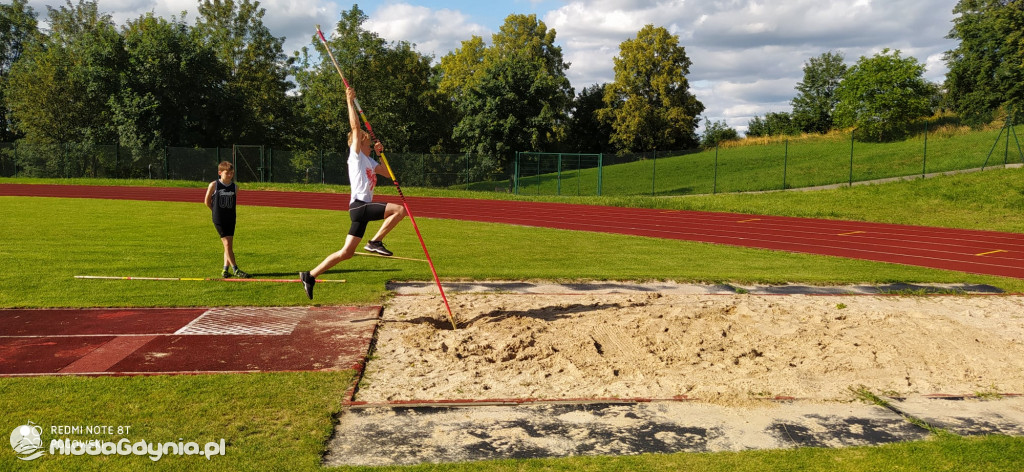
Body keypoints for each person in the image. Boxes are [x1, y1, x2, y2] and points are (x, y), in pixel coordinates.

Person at [300, 87, 406, 299]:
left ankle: (310, 275)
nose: (364, 140)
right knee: (400, 210)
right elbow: (355, 127)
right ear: (360, 141)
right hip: (360, 205)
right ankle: (375, 242)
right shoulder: (356, 156)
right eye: (364, 139)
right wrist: (350, 101)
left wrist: (381, 153)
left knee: (346, 253)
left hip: (360, 210)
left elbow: (388, 173)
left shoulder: (369, 160)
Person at [204, 161, 250, 278]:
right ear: (220, 173)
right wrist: (215, 212)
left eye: (231, 173)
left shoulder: (235, 187)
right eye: (227, 173)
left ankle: (225, 269)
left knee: (228, 245)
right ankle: (236, 269)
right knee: (227, 244)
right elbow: (207, 201)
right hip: (219, 218)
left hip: (231, 218)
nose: (229, 175)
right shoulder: (214, 185)